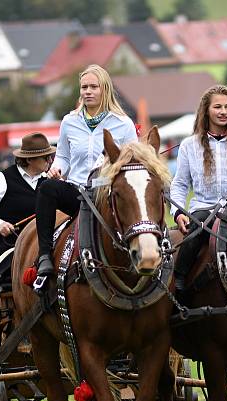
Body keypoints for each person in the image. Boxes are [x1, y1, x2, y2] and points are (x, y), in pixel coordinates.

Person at [34, 64, 137, 277]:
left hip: (108, 194)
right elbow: (63, 156)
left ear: (105, 90)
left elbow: (133, 161)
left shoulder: (123, 124)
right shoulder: (69, 121)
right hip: (78, 192)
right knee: (46, 187)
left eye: (93, 87)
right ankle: (44, 255)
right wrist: (56, 169)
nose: (87, 91)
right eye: (84, 87)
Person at [169, 84, 227, 293]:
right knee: (202, 224)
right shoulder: (189, 145)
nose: (223, 112)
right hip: (202, 211)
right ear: (206, 110)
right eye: (217, 107)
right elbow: (179, 184)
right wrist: (178, 212)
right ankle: (179, 278)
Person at [0, 132, 56, 261]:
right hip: (9, 252)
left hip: (47, 252)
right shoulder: (1, 179)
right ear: (29, 159)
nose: (50, 161)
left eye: (51, 156)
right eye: (45, 157)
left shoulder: (51, 181)